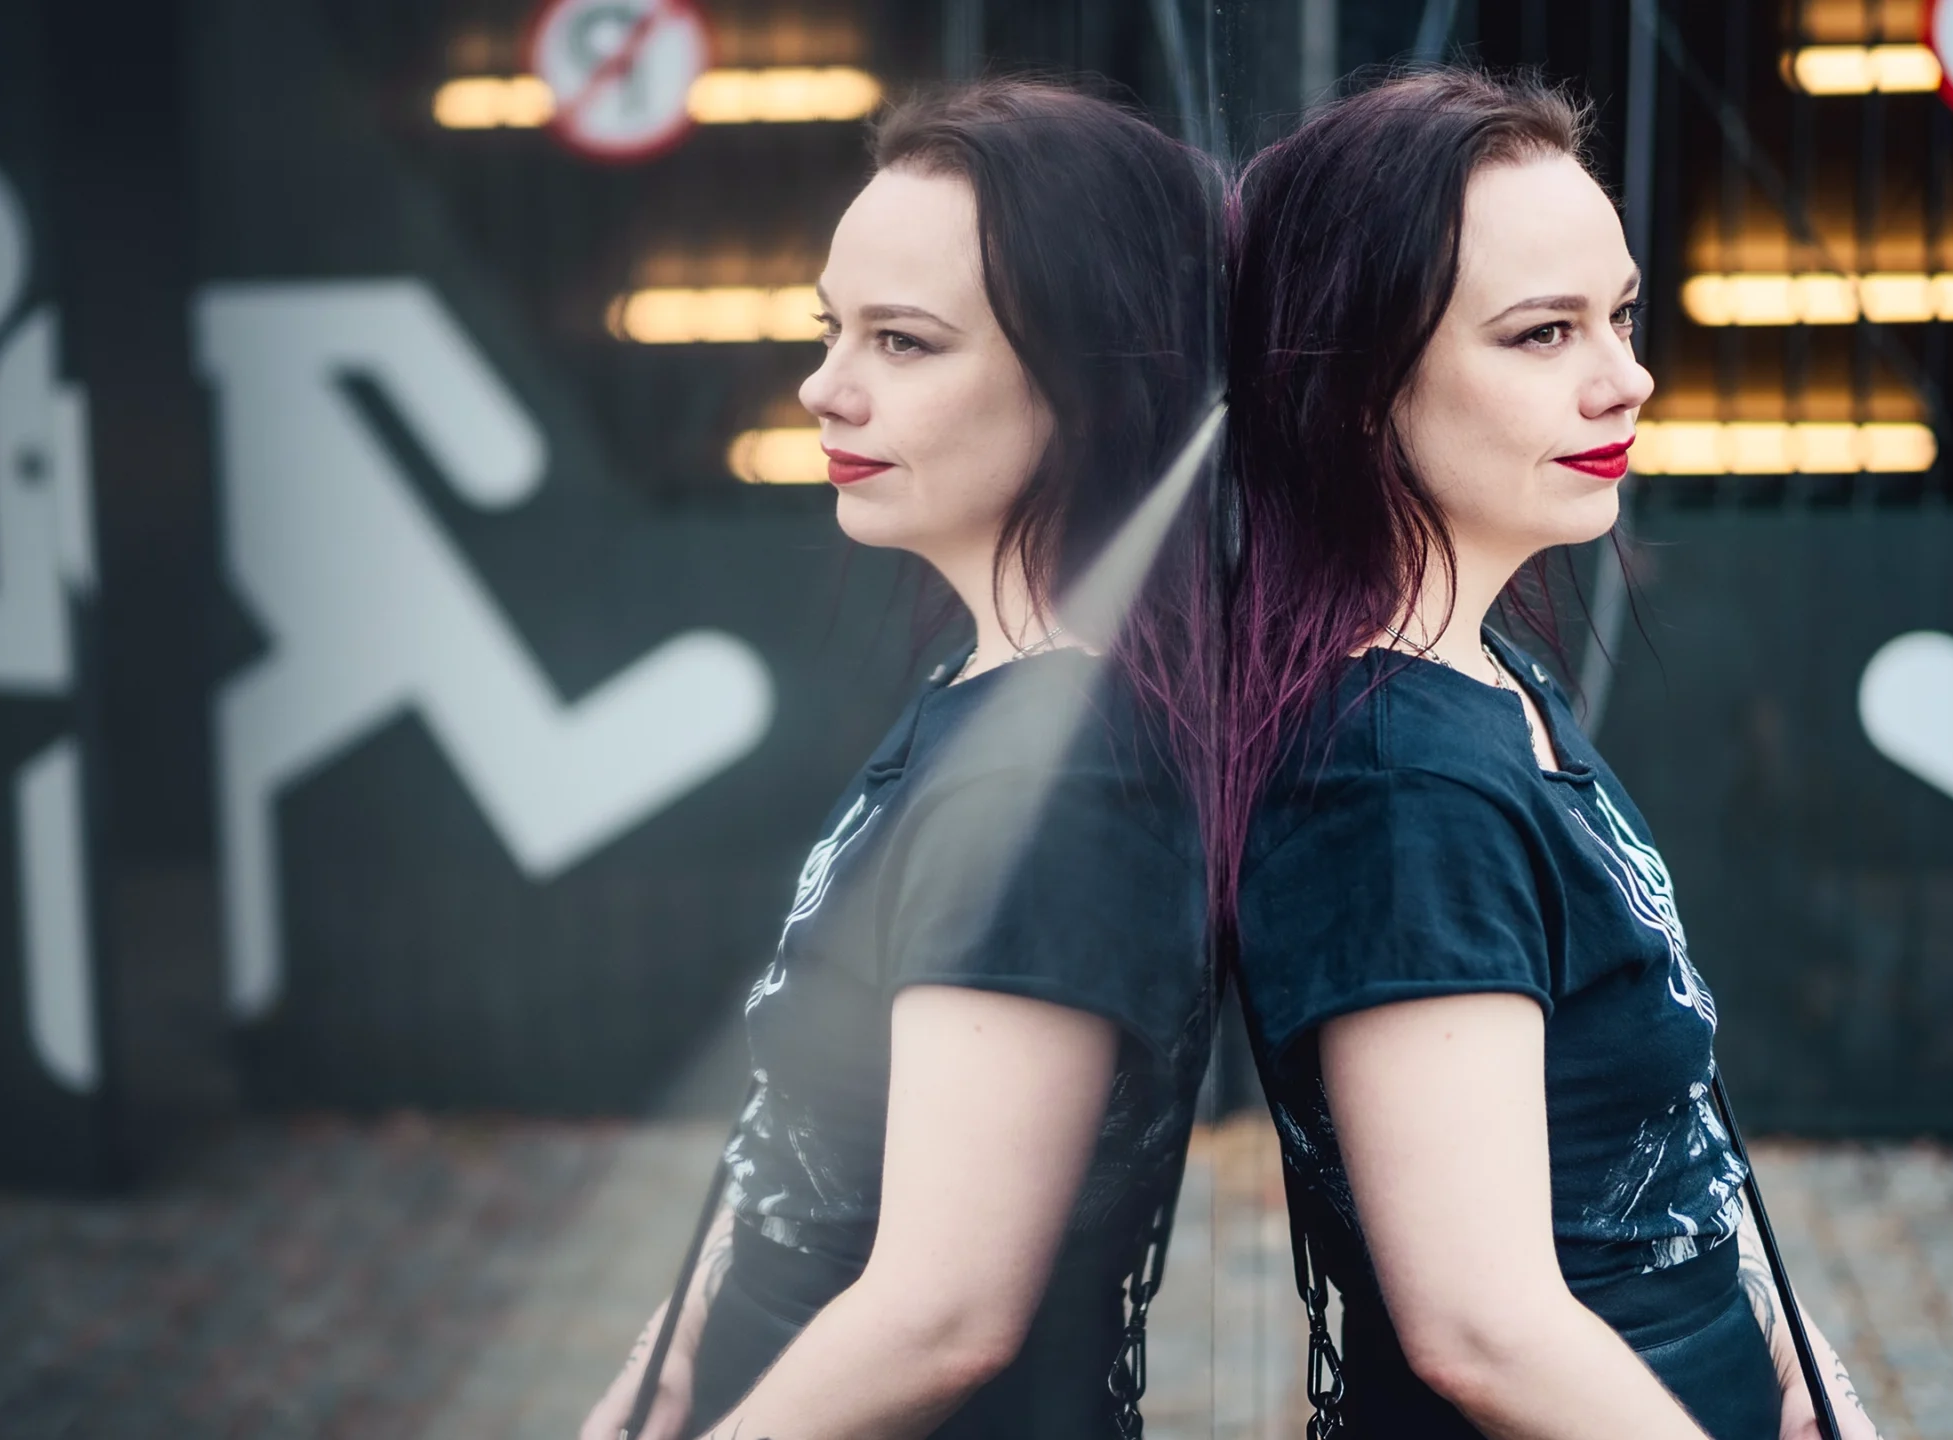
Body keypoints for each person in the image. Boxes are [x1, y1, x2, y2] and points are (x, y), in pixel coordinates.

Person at [1216, 69, 1884, 1439]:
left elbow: (1659, 1149)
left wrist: (1798, 1362)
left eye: (1621, 314)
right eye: (1541, 333)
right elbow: (1484, 1327)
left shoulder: (1488, 677)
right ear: (1354, 387)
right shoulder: (1396, 782)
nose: (1625, 374)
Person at [579, 79, 1218, 1440]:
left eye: (905, 342)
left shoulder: (1060, 785)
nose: (825, 385)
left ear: (1097, 390)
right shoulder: (986, 698)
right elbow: (791, 1162)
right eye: (834, 328)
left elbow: (942, 1314)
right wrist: (666, 1372)